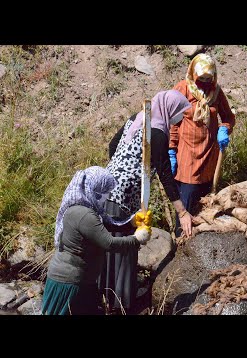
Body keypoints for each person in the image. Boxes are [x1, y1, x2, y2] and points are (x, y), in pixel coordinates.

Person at [98, 90, 193, 314]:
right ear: (170, 110)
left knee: (107, 241)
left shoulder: (136, 117)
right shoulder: (157, 133)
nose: (179, 118)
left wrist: (123, 167)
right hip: (126, 195)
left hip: (107, 187)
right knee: (125, 243)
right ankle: (121, 302)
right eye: (180, 113)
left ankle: (103, 294)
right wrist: (182, 212)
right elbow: (165, 175)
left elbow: (113, 145)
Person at [42, 166, 151, 315]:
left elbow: (107, 224)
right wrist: (137, 239)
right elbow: (109, 243)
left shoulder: (85, 209)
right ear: (95, 190)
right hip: (69, 282)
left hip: (83, 281)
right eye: (105, 191)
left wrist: (131, 222)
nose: (107, 196)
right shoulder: (83, 214)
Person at [168, 53, 235, 236]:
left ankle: (201, 238)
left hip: (209, 156)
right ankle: (181, 240)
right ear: (193, 73)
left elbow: (228, 117)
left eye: (208, 78)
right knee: (186, 203)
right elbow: (173, 122)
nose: (204, 82)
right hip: (187, 157)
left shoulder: (216, 92)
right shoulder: (183, 89)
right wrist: (171, 150)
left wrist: (224, 128)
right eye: (201, 78)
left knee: (205, 204)